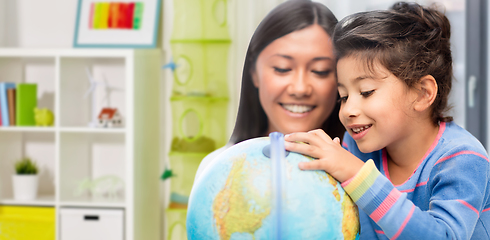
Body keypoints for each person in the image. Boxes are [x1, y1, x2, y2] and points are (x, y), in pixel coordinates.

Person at [285, 2, 490, 239]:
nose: (348, 109)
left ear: (423, 93)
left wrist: (358, 175)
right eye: (343, 96)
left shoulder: (462, 159)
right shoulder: (358, 149)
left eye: (366, 92)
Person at [194, 0, 345, 180]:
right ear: (253, 72)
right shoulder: (219, 167)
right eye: (282, 68)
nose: (300, 88)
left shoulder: (358, 171)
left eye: (320, 71)